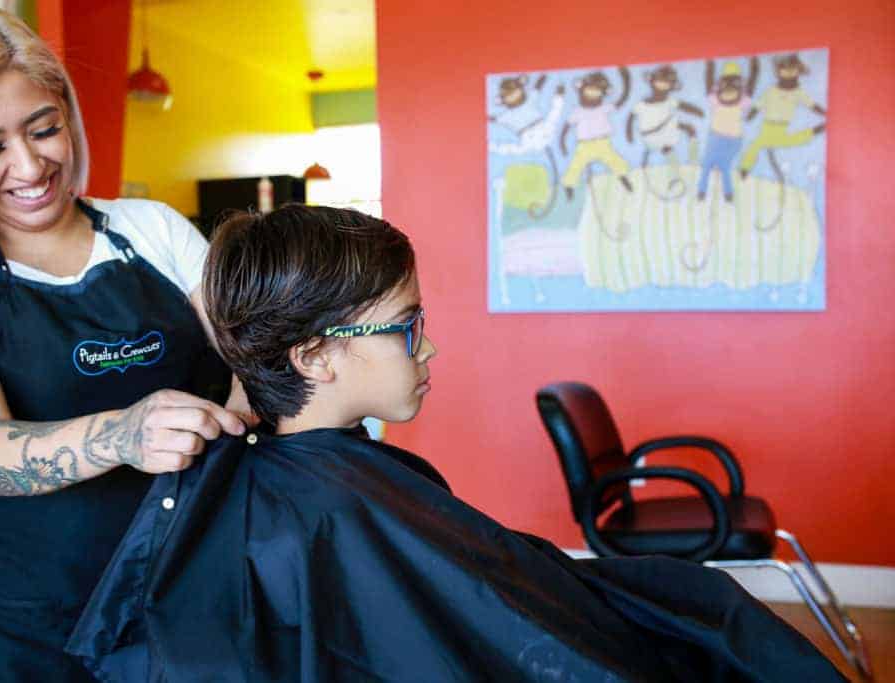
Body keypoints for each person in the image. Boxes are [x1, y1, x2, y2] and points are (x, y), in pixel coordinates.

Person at [67, 205, 844, 681]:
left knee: (696, 604)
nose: (428, 349)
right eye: (408, 327)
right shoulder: (320, 511)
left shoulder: (336, 486)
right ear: (316, 356)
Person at [0, 6, 248, 681]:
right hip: (26, 626)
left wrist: (250, 401)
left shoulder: (154, 231)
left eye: (43, 128)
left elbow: (247, 358)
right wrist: (124, 434)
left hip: (187, 597)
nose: (29, 165)